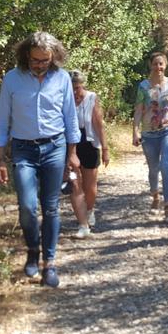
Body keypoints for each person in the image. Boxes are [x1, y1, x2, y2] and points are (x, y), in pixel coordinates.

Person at [0, 31, 80, 288]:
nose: (40, 65)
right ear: (26, 57)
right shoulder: (12, 79)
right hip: (23, 150)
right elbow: (1, 119)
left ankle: (49, 265)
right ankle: (33, 249)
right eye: (35, 60)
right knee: (28, 207)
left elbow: (70, 118)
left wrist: (72, 153)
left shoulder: (62, 78)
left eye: (45, 60)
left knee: (51, 207)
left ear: (54, 57)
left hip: (55, 146)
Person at [132, 52, 168, 220]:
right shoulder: (143, 86)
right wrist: (135, 130)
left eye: (161, 64)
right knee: (153, 168)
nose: (158, 67)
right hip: (149, 133)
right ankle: (155, 195)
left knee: (165, 166)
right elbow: (139, 108)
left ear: (166, 65)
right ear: (151, 66)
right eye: (155, 64)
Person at [68, 69, 110, 238]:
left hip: (89, 142)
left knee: (90, 187)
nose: (75, 92)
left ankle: (90, 209)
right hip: (70, 143)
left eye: (77, 88)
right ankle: (82, 223)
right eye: (72, 89)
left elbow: (99, 124)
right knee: (75, 183)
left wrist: (105, 149)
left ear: (82, 85)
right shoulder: (64, 99)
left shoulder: (91, 98)